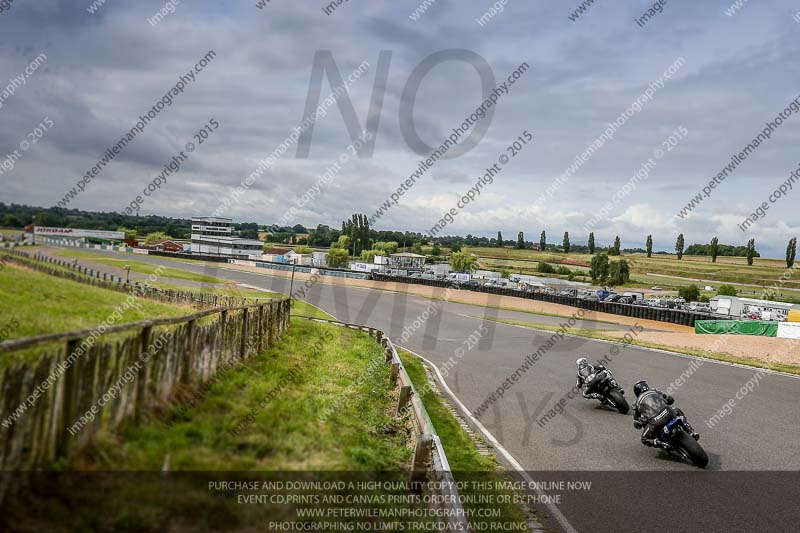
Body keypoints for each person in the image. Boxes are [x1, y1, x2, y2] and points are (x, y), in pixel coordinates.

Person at [632, 380, 698, 449]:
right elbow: (670, 400)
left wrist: (641, 423)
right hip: (669, 413)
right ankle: (690, 431)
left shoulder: (636, 403)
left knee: (644, 439)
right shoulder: (655, 391)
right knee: (677, 410)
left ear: (636, 392)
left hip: (656, 423)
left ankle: (662, 444)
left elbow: (636, 423)